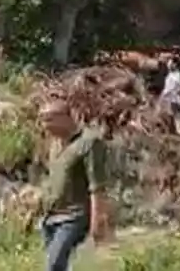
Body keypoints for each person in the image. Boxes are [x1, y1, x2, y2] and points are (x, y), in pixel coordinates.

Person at [38, 99, 113, 271]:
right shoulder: (55, 145)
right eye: (42, 120)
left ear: (66, 118)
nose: (44, 125)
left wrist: (97, 221)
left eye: (49, 119)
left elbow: (97, 186)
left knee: (54, 265)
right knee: (58, 265)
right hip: (51, 216)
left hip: (74, 216)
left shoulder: (88, 142)